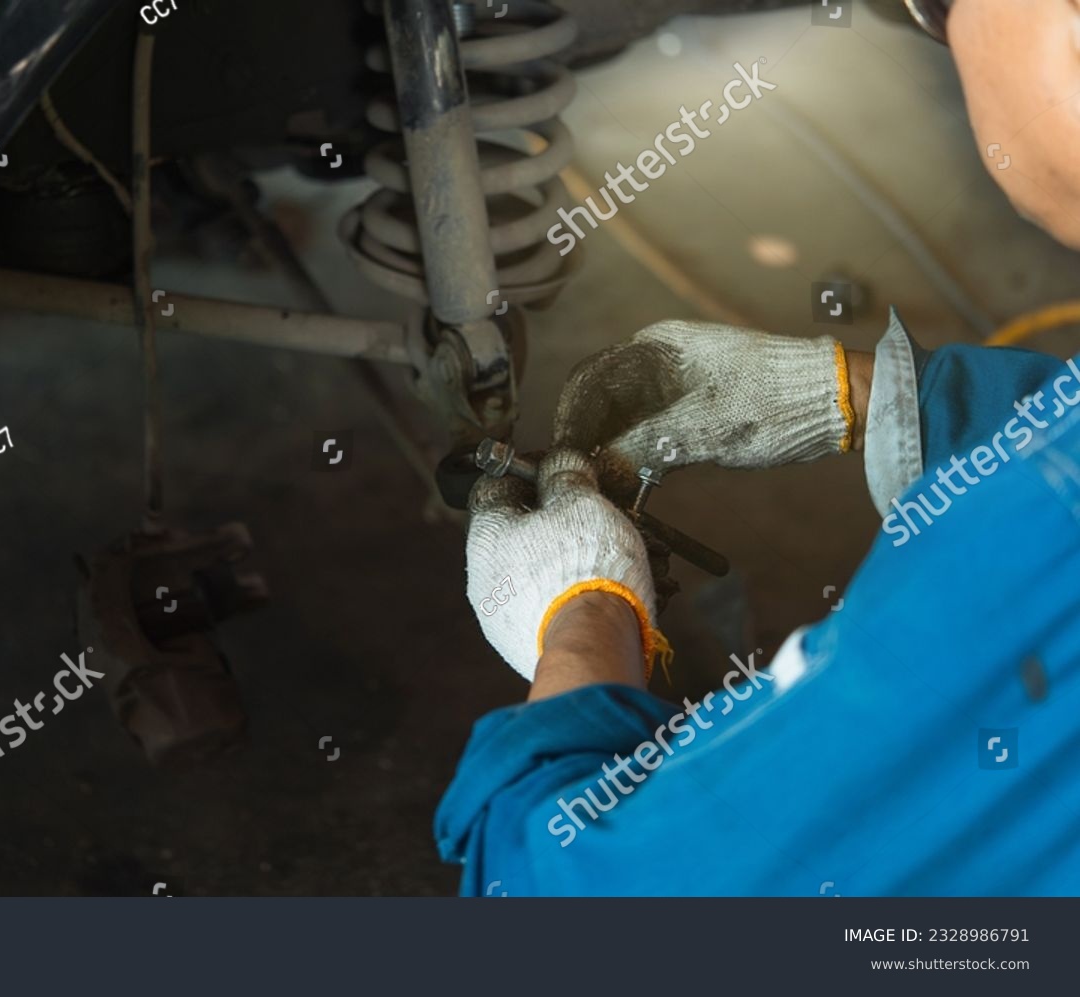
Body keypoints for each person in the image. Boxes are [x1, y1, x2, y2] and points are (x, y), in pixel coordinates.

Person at [436, 0, 1080, 895]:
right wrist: (865, 395)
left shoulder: (1028, 560)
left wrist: (580, 619)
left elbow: (580, 898)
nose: (945, 33)